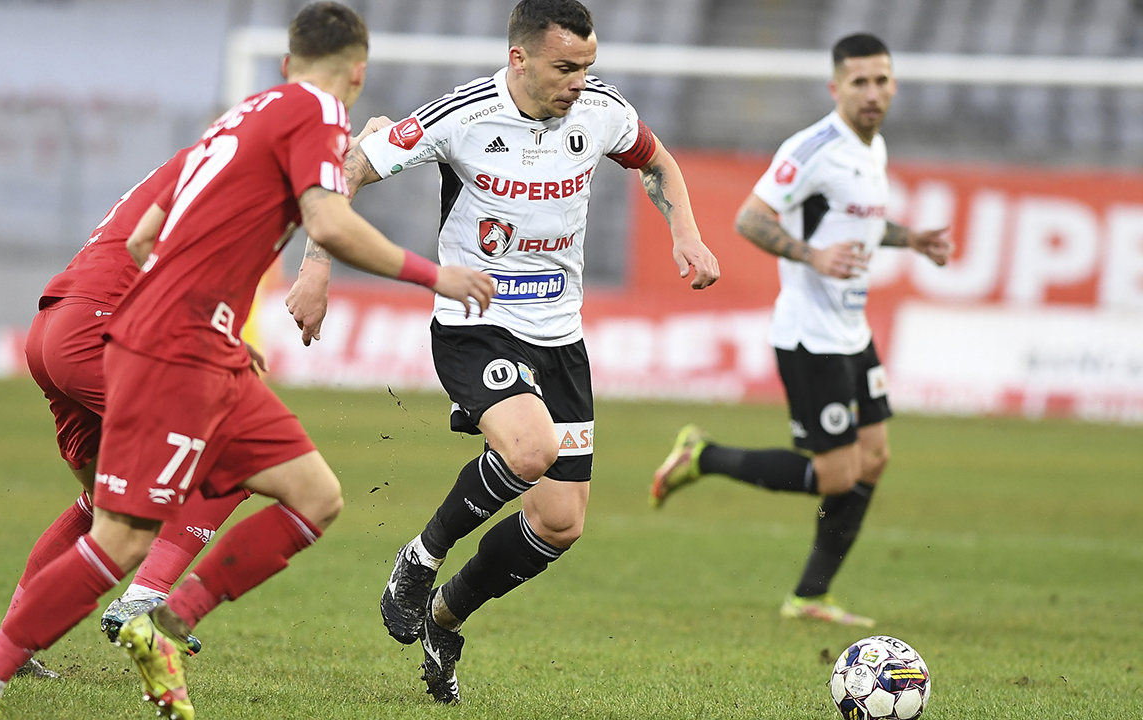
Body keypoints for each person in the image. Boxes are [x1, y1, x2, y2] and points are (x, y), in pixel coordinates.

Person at [0, 4, 495, 719]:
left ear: (286, 61)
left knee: (314, 493)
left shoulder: (240, 118)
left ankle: (161, 623)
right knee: (123, 532)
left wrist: (212, 317)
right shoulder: (319, 113)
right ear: (358, 72)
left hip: (177, 340)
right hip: (172, 348)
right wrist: (432, 275)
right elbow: (326, 221)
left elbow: (143, 238)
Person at [287, 0, 719, 703]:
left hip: (560, 337)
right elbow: (351, 166)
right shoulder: (462, 115)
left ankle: (443, 616)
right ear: (519, 58)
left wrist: (686, 234)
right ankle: (418, 558)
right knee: (528, 450)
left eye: (588, 66)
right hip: (475, 321)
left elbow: (658, 161)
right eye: (565, 67)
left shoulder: (600, 110)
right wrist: (317, 265)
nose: (580, 81)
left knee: (560, 522)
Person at [650, 33, 952, 627]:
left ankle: (811, 595)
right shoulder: (814, 148)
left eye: (881, 80)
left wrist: (908, 238)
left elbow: (857, 220)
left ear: (893, 84)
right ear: (836, 87)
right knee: (838, 473)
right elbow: (749, 219)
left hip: (850, 328)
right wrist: (813, 258)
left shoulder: (873, 148)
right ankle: (702, 456)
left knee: (875, 456)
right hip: (809, 336)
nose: (872, 92)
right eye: (859, 82)